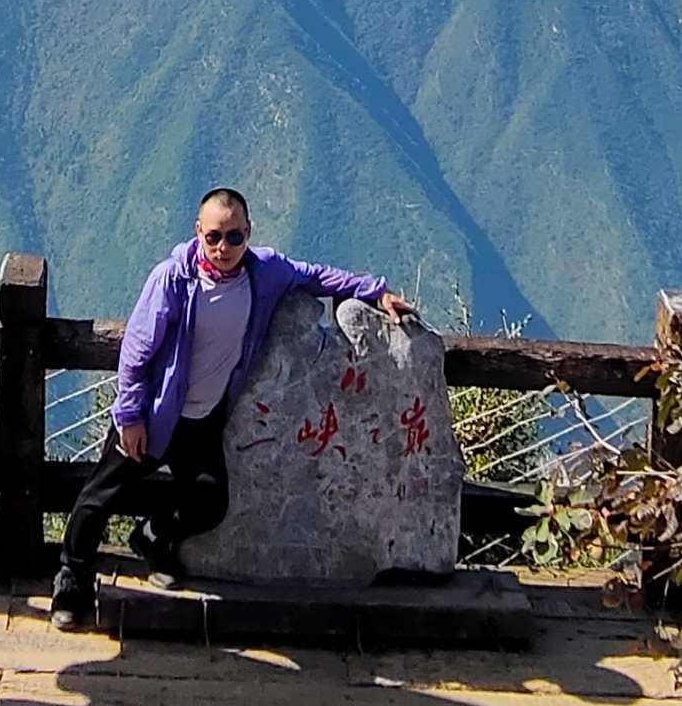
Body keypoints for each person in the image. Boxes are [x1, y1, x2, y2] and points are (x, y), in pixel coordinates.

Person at [48, 186, 416, 626]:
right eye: (215, 237)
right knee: (98, 497)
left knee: (209, 501)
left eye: (235, 238)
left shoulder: (264, 273)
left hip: (203, 421)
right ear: (198, 233)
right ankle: (72, 581)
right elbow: (136, 353)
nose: (224, 248)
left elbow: (316, 276)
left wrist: (376, 292)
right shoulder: (172, 280)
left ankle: (153, 536)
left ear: (249, 234)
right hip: (156, 414)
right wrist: (129, 417)